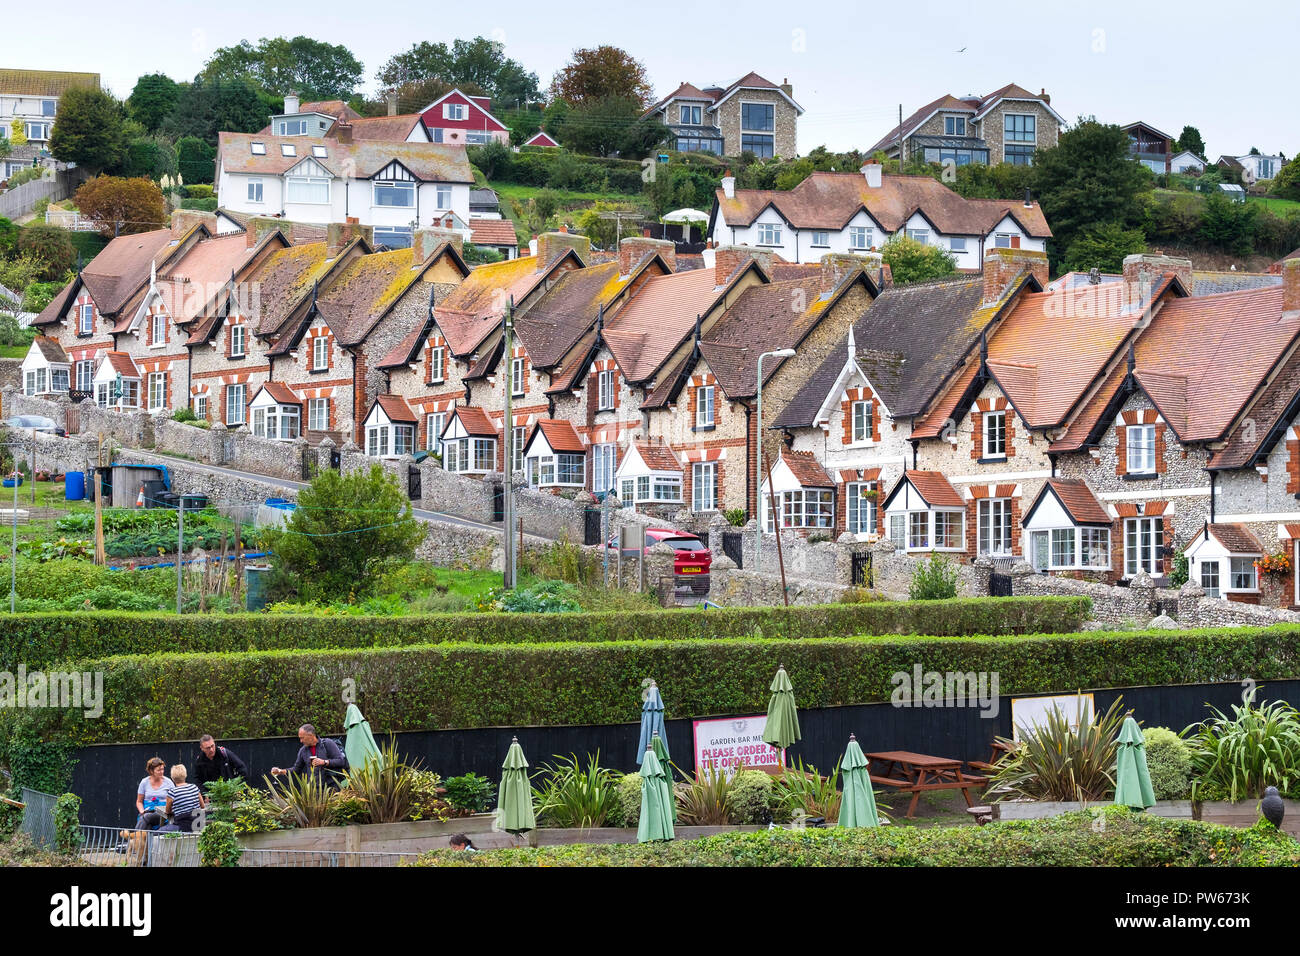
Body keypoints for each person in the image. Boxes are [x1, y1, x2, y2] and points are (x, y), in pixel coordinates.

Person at [270, 724, 347, 786]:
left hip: (331, 788)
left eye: (302, 738)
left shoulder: (327, 743)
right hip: (313, 790)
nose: (301, 741)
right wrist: (280, 771)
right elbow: (296, 770)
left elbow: (341, 761)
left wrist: (324, 762)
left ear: (310, 735)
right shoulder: (303, 751)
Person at [159, 764, 205, 833]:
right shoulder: (194, 787)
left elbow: (167, 811)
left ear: (172, 778)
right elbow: (202, 806)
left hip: (182, 827)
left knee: (157, 833)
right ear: (185, 775)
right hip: (199, 826)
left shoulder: (172, 792)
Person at [135, 757, 174, 830]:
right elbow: (139, 801)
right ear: (151, 771)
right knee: (147, 824)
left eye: (162, 769)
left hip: (163, 813)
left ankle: (135, 836)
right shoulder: (144, 782)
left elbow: (174, 801)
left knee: (146, 817)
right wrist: (142, 811)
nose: (161, 772)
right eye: (159, 770)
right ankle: (142, 837)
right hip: (148, 811)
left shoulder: (168, 782)